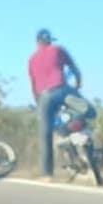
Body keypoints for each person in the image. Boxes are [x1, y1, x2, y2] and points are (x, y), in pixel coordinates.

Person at [28, 28, 82, 182]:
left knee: (45, 134)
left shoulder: (31, 59)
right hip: (63, 90)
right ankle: (78, 129)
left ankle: (47, 174)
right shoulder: (58, 49)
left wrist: (38, 102)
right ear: (50, 40)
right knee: (87, 110)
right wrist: (77, 86)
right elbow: (74, 69)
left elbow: (33, 85)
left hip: (44, 95)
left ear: (37, 42)